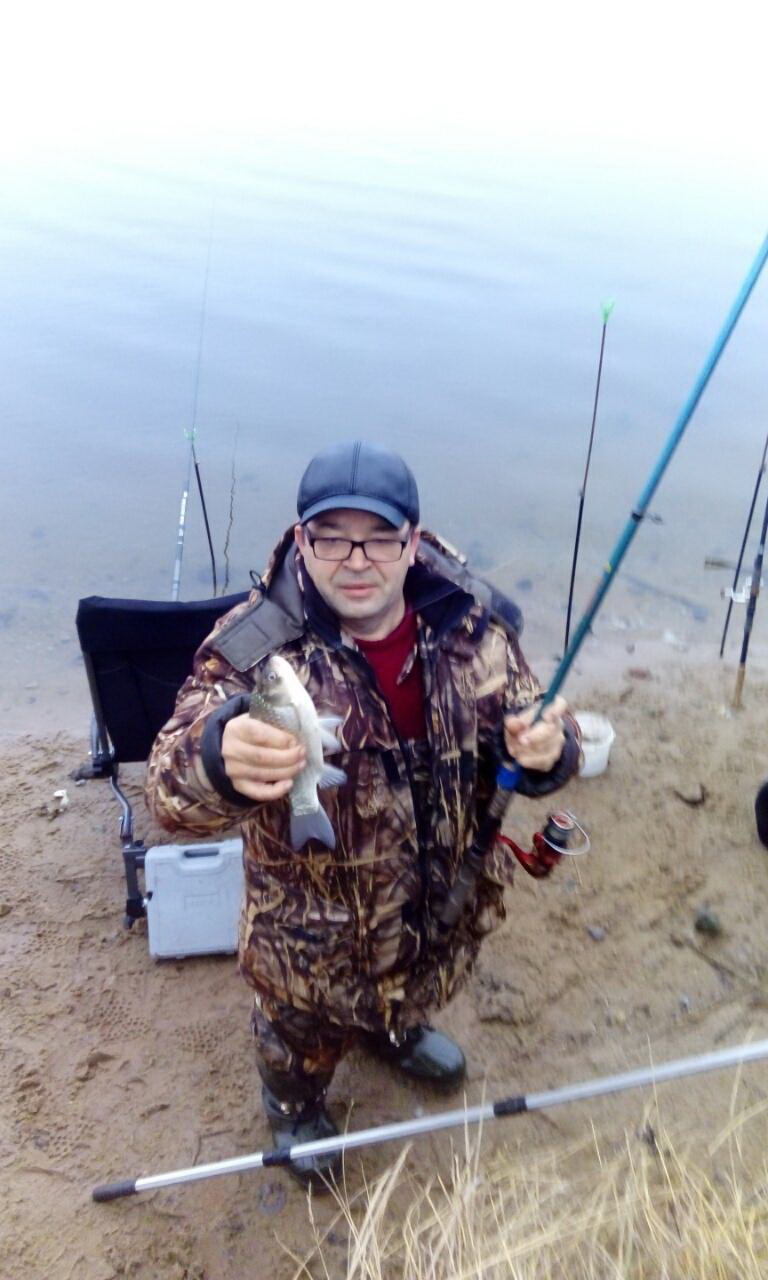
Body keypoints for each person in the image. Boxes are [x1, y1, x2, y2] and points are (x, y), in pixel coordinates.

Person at [146, 441, 581, 1187]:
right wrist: (215, 756)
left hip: (434, 907)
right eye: (332, 538)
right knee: (298, 1036)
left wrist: (551, 749)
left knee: (413, 987)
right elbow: (167, 789)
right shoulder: (254, 649)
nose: (356, 561)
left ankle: (395, 1032)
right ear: (301, 539)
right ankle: (295, 1107)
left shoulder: (473, 625)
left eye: (379, 538)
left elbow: (535, 720)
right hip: (308, 940)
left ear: (412, 541)